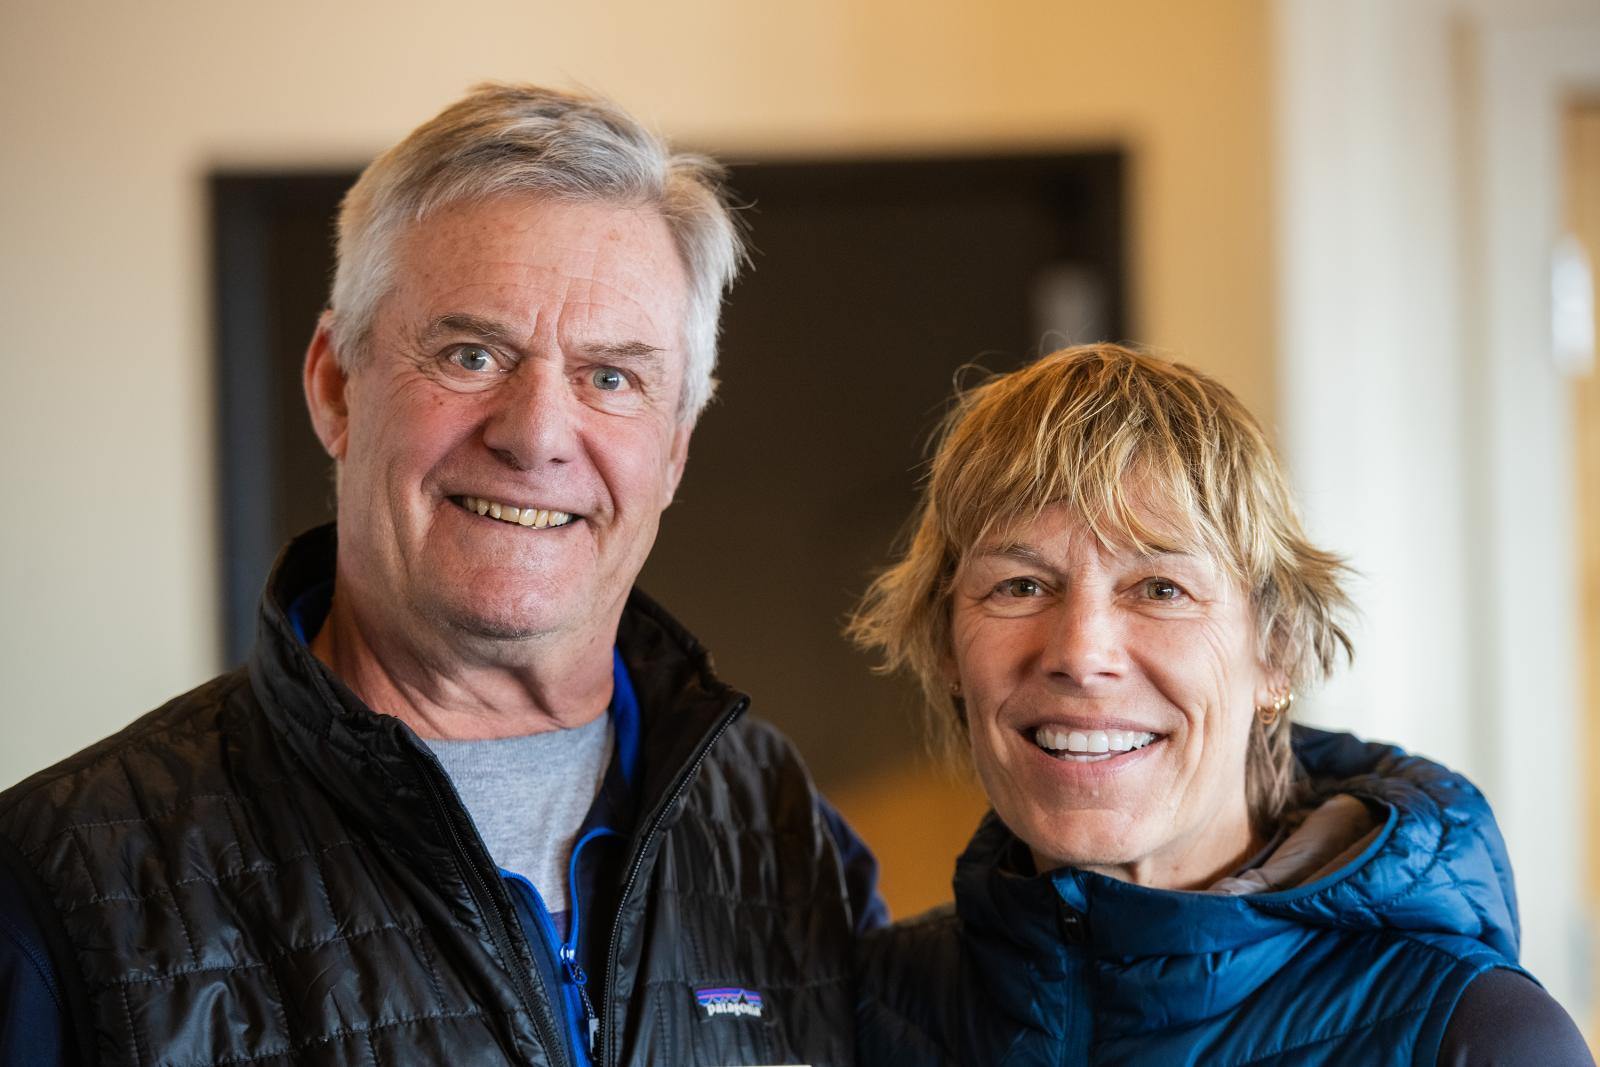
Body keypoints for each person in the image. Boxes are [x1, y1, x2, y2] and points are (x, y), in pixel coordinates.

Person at [0, 83, 884, 1067]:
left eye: (610, 377)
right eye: (471, 352)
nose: (537, 434)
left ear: (675, 444)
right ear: (336, 385)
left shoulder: (779, 824)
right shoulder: (67, 876)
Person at [849, 344, 1592, 1065]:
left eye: (1160, 588)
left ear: (1276, 653)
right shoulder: (862, 1015)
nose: (1079, 653)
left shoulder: (1476, 1039)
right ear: (947, 649)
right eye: (1019, 585)